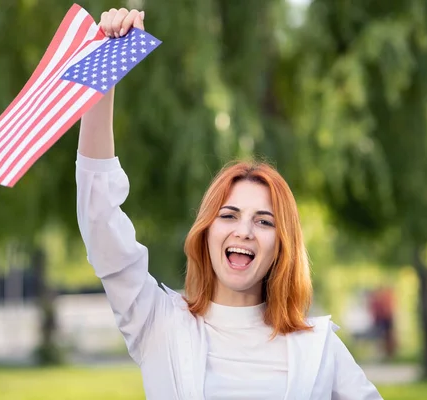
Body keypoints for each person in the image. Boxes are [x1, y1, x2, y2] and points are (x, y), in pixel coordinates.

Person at [76, 7, 383, 399]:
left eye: (264, 222)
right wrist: (106, 63)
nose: (244, 231)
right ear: (207, 232)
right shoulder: (158, 322)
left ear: (281, 247)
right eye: (229, 215)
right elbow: (99, 216)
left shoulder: (318, 348)